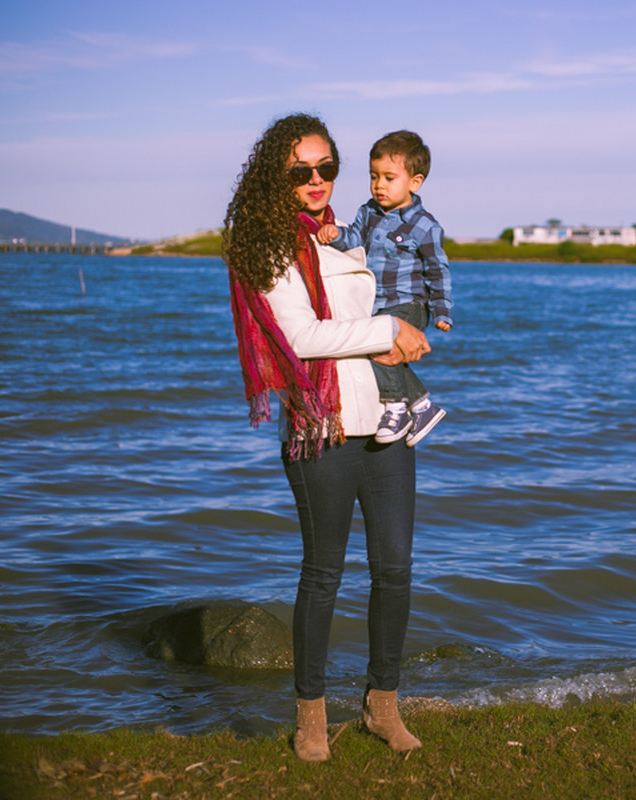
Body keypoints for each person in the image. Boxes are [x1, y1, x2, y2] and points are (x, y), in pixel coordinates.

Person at [224, 113, 430, 762]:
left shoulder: (346, 236)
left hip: (383, 428)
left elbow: (379, 302)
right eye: (300, 170)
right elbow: (301, 339)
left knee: (394, 571)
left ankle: (381, 705)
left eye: (326, 168)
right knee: (323, 575)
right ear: (274, 177)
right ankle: (311, 716)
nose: (316, 181)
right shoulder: (267, 246)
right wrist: (387, 333)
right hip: (321, 430)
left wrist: (406, 332)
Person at [316, 130, 451, 447]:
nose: (379, 185)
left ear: (414, 182)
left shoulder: (425, 225)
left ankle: (396, 408)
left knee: (382, 345)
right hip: (375, 304)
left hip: (409, 304)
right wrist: (335, 235)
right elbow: (354, 245)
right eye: (373, 176)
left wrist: (442, 311)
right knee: (374, 342)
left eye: (389, 178)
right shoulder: (367, 213)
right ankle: (423, 406)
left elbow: (437, 270)